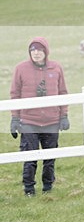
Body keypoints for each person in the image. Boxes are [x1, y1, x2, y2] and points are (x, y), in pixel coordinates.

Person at [9, 37, 69, 196]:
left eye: (39, 50)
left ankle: (48, 188)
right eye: (33, 50)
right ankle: (29, 189)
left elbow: (63, 92)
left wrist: (64, 115)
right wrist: (15, 119)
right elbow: (15, 94)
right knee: (30, 157)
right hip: (29, 121)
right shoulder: (21, 69)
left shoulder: (56, 68)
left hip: (51, 121)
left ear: (46, 51)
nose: (36, 53)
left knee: (50, 158)